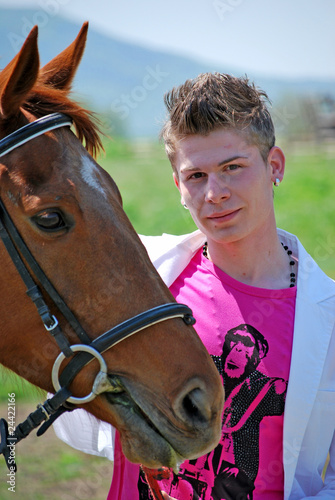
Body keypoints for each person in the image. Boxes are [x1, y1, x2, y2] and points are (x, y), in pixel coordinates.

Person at [53, 72, 335, 499]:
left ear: (274, 166)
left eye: (233, 168)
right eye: (196, 176)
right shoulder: (141, 281)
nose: (214, 193)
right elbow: (76, 411)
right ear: (178, 187)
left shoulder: (326, 316)